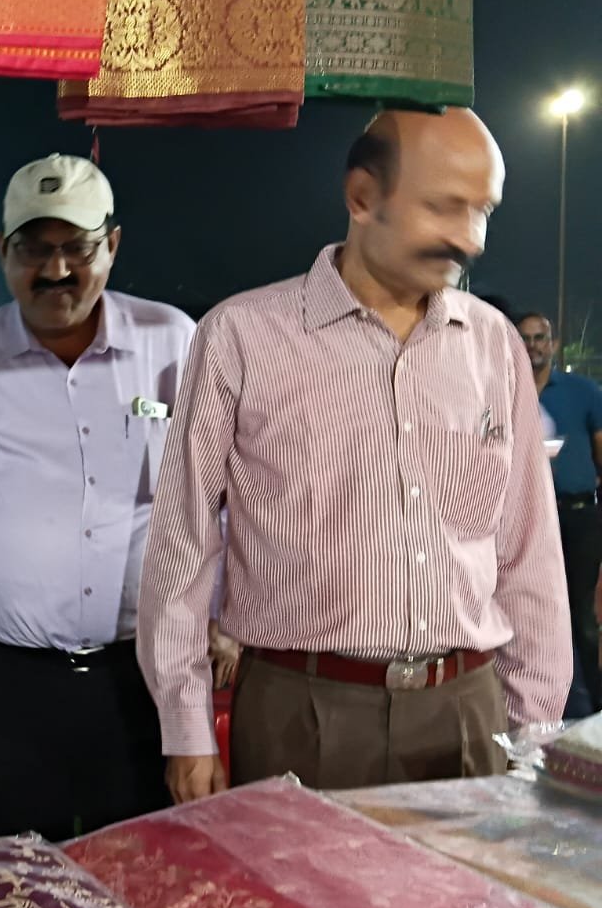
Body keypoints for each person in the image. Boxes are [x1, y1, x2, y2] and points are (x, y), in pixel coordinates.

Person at [140, 108, 569, 802]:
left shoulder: (494, 346)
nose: (470, 238)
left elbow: (528, 553)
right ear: (363, 195)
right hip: (301, 710)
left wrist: (535, 729)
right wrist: (186, 728)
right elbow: (182, 546)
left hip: (467, 710)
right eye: (443, 207)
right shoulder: (242, 337)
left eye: (483, 211)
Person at [0, 155, 192, 838]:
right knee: (11, 871)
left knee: (140, 864)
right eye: (34, 250)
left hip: (141, 674)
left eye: (77, 247)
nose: (57, 270)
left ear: (113, 245)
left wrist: (216, 617)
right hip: (9, 681)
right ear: (1, 251)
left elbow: (212, 492)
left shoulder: (172, 342)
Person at [517, 312, 602, 715]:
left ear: (552, 344)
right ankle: (537, 706)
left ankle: (594, 709)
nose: (533, 345)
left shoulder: (582, 392)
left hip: (578, 516)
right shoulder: (503, 386)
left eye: (540, 338)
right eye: (525, 338)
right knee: (531, 612)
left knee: (581, 614)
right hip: (526, 520)